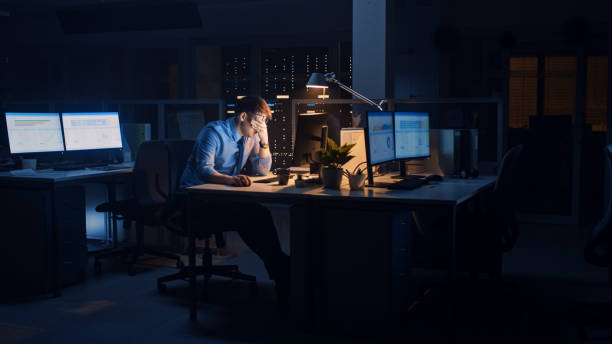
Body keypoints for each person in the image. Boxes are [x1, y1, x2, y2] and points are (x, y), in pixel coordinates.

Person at [179, 96, 289, 304]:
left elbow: (261, 170)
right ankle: (282, 270)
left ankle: (281, 269)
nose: (258, 129)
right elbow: (203, 170)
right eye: (257, 123)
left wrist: (264, 141)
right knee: (252, 215)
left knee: (257, 213)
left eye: (263, 125)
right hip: (193, 201)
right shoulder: (213, 132)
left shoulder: (252, 136)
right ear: (243, 116)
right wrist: (231, 180)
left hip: (220, 198)